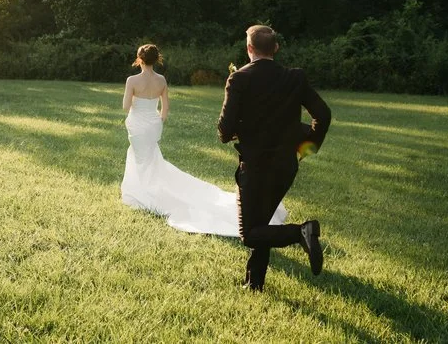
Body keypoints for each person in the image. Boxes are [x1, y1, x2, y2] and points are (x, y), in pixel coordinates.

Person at [121, 43, 287, 236]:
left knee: (141, 157)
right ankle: (145, 186)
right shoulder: (161, 80)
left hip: (138, 124)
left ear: (139, 59)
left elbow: (126, 106)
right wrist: (157, 121)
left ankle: (143, 190)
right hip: (153, 124)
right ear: (157, 59)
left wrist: (138, 104)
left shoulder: (132, 80)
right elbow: (165, 109)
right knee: (149, 157)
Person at [218, 24, 332, 291]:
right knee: (262, 222)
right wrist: (307, 148)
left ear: (249, 49)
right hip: (286, 165)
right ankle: (254, 282)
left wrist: (237, 129)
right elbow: (323, 114)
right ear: (276, 48)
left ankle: (301, 231)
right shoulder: (295, 77)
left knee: (249, 234)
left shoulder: (239, 79)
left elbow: (224, 131)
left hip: (256, 166)